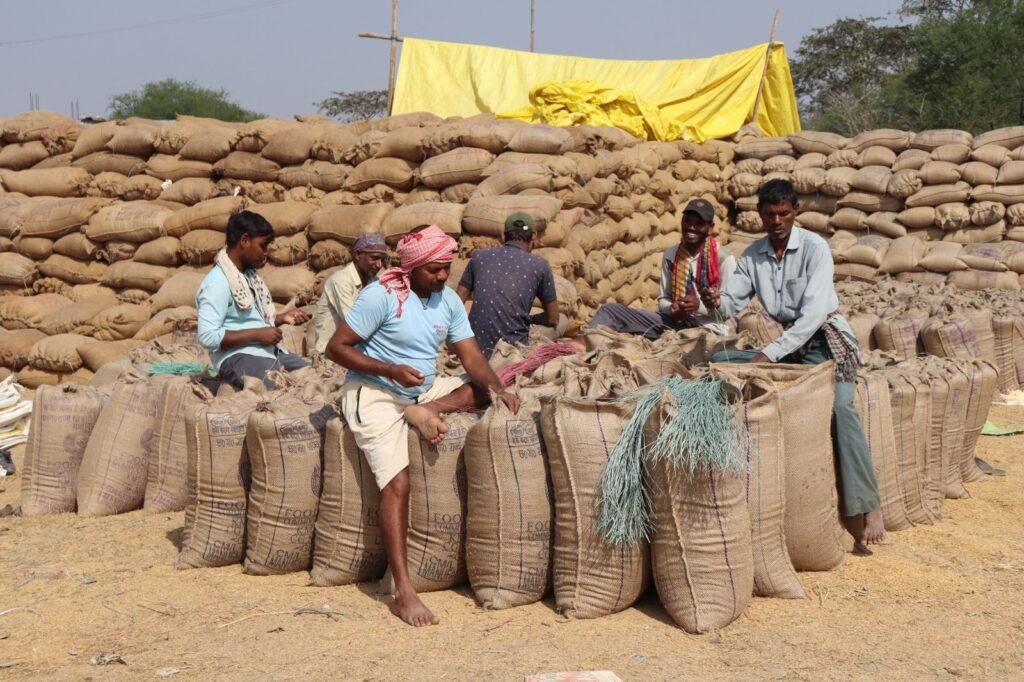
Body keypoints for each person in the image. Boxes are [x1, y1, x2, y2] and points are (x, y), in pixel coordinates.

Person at [326, 224, 520, 627]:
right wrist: (390, 370)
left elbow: (471, 357)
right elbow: (336, 348)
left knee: (484, 389)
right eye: (434, 270)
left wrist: (498, 389)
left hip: (422, 390)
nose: (442, 276)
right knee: (398, 484)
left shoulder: (447, 300)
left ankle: (427, 408)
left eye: (447, 268)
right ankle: (404, 591)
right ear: (412, 267)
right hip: (376, 392)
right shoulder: (380, 296)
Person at [704, 178, 885, 550]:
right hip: (787, 343)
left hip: (821, 339)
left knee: (841, 408)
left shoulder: (815, 249)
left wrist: (767, 355)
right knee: (715, 360)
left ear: (796, 212)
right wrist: (711, 300)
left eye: (784, 213)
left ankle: (869, 506)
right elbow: (729, 306)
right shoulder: (753, 256)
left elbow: (814, 314)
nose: (777, 221)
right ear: (760, 215)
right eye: (770, 214)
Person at [588, 198, 736, 338]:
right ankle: (585, 346)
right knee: (610, 310)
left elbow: (730, 309)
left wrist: (699, 307)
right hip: (675, 323)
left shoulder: (724, 259)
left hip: (709, 329)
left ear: (710, 229)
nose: (691, 227)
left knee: (687, 346)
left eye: (699, 224)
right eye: (688, 221)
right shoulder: (671, 255)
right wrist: (672, 308)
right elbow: (663, 299)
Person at [196, 211, 311, 389]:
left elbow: (249, 320)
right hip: (238, 357)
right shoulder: (217, 282)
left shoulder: (250, 278)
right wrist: (258, 335)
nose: (266, 253)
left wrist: (283, 318)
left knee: (314, 378)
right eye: (262, 246)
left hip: (270, 353)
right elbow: (208, 336)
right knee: (283, 390)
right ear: (244, 241)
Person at [455, 211, 565, 358]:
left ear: (503, 236)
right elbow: (553, 319)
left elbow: (455, 304)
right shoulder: (540, 265)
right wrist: (531, 319)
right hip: (510, 355)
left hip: (473, 350)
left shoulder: (479, 257)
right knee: (562, 320)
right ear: (534, 236)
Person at [312, 232, 388, 354]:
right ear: (357, 255)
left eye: (382, 260)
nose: (379, 265)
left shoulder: (374, 282)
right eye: (374, 258)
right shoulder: (341, 280)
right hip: (332, 354)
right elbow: (355, 324)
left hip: (360, 350)